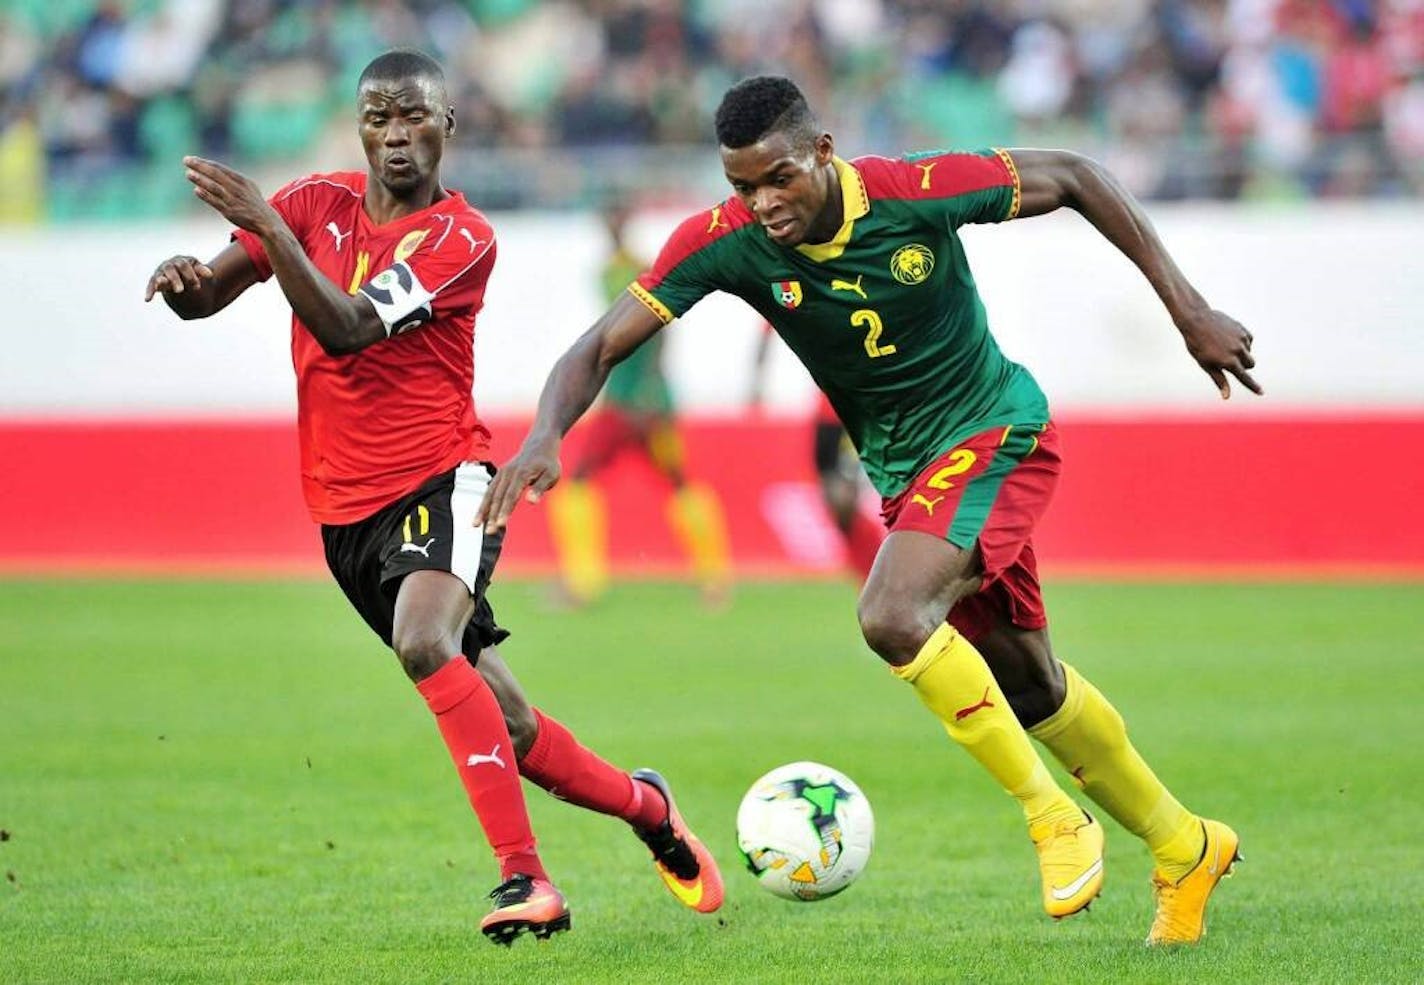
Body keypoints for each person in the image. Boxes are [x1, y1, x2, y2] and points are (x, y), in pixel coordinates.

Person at [480, 76, 1262, 945]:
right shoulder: (727, 241)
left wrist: (1188, 310)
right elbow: (598, 343)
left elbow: (1076, 174)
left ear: (823, 150)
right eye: (742, 186)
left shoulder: (913, 191)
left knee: (891, 613)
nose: (762, 203)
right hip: (908, 474)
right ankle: (1184, 844)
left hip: (996, 432)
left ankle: (1051, 815)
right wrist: (547, 432)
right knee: (1031, 681)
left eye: (778, 178)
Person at [142, 48, 722, 947]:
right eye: (377, 117)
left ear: (448, 125)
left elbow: (345, 329)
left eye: (414, 116)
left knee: (424, 641)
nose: (395, 135)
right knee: (513, 722)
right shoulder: (310, 205)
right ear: (359, 125)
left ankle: (525, 877)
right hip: (341, 515)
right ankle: (650, 809)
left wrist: (267, 224)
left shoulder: (462, 238)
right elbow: (211, 295)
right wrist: (187, 279)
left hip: (441, 482)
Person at [546, 200, 732, 607]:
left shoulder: (635, 268)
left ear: (627, 221)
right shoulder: (606, 272)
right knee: (586, 480)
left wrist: (650, 387)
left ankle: (713, 578)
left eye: (618, 218)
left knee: (671, 481)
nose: (613, 225)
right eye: (608, 218)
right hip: (623, 399)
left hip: (644, 401)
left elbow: (660, 326)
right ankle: (584, 581)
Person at [750, 327, 883, 581]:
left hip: (857, 411)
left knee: (846, 498)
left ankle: (883, 577)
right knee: (836, 503)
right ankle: (872, 579)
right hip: (829, 415)